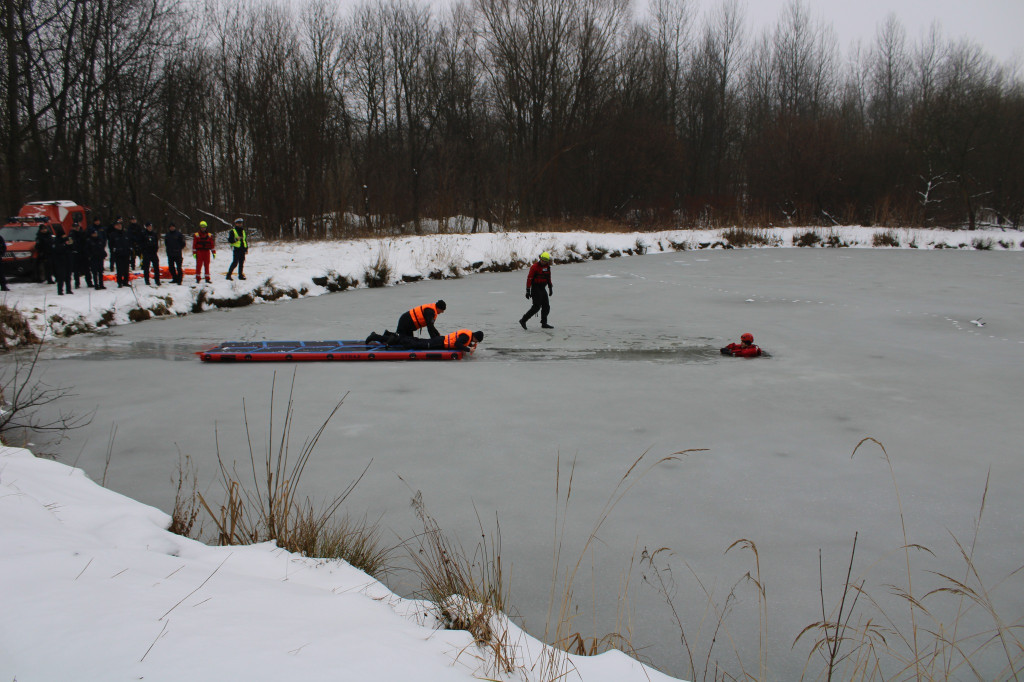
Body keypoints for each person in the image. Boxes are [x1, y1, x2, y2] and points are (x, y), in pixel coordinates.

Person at [368, 328, 483, 354]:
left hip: (440, 340)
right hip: (439, 343)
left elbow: (460, 341)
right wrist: (468, 349)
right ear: (475, 337)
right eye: (476, 341)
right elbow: (458, 343)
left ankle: (390, 336)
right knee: (413, 344)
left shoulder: (468, 335)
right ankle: (388, 337)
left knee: (415, 341)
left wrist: (470, 345)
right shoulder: (466, 337)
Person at [519, 251, 554, 329]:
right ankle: (523, 320)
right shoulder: (534, 267)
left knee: (546, 306)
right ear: (540, 258)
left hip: (542, 288)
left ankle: (544, 323)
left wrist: (550, 288)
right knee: (536, 307)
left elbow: (548, 278)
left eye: (545, 261)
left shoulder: (547, 267)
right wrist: (528, 290)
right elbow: (529, 278)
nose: (543, 262)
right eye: (542, 260)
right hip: (535, 288)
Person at [108, 219, 132, 287]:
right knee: (119, 269)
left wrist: (130, 249)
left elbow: (129, 242)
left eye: (120, 225)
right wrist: (113, 251)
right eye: (117, 225)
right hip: (118, 254)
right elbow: (111, 245)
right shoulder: (113, 234)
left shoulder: (125, 233)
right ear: (115, 226)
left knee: (126, 269)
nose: (119, 226)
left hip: (126, 253)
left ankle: (126, 281)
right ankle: (119, 282)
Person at [51, 226, 74, 295]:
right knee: (61, 276)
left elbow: (71, 248)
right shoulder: (57, 241)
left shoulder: (66, 240)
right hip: (60, 261)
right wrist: (64, 245)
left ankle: (68, 289)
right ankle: (60, 290)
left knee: (68, 276)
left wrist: (70, 244)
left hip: (67, 260)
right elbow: (57, 250)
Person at [69, 221, 92, 289]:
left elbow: (87, 242)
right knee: (76, 270)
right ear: (73, 227)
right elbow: (71, 244)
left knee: (87, 269)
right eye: (75, 227)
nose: (77, 228)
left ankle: (89, 282)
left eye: (77, 227)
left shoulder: (83, 233)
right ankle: (77, 283)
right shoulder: (71, 235)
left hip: (84, 253)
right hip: (76, 254)